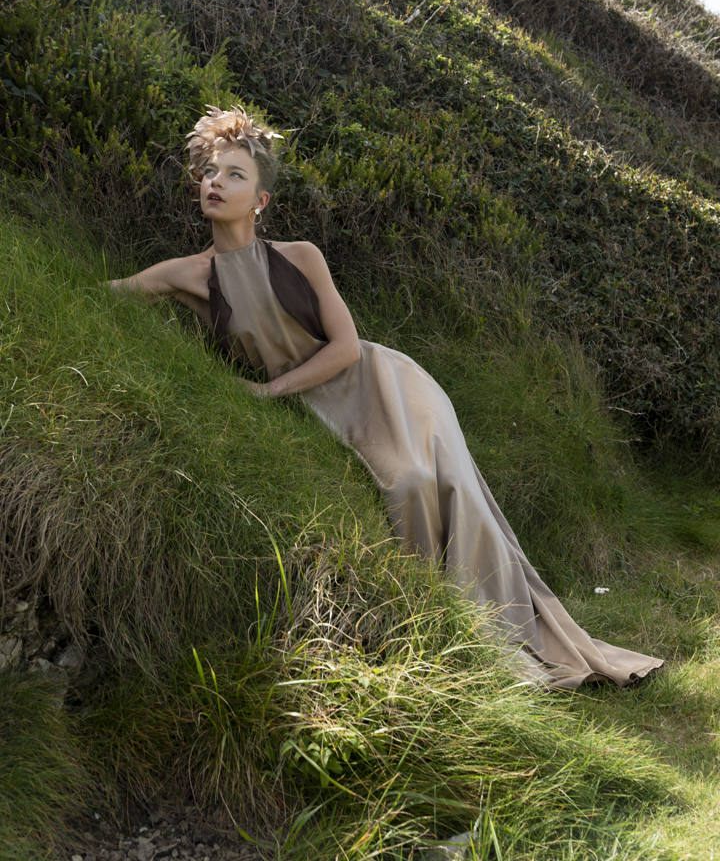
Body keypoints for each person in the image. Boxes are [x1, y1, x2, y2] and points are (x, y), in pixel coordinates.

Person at [111, 106, 663, 690]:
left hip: (384, 387)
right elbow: (104, 295)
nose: (216, 183)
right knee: (408, 488)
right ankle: (432, 626)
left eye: (234, 175)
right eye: (210, 174)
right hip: (321, 404)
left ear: (261, 201)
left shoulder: (300, 256)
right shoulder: (187, 274)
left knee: (431, 485)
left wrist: (267, 390)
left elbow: (346, 348)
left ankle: (476, 631)